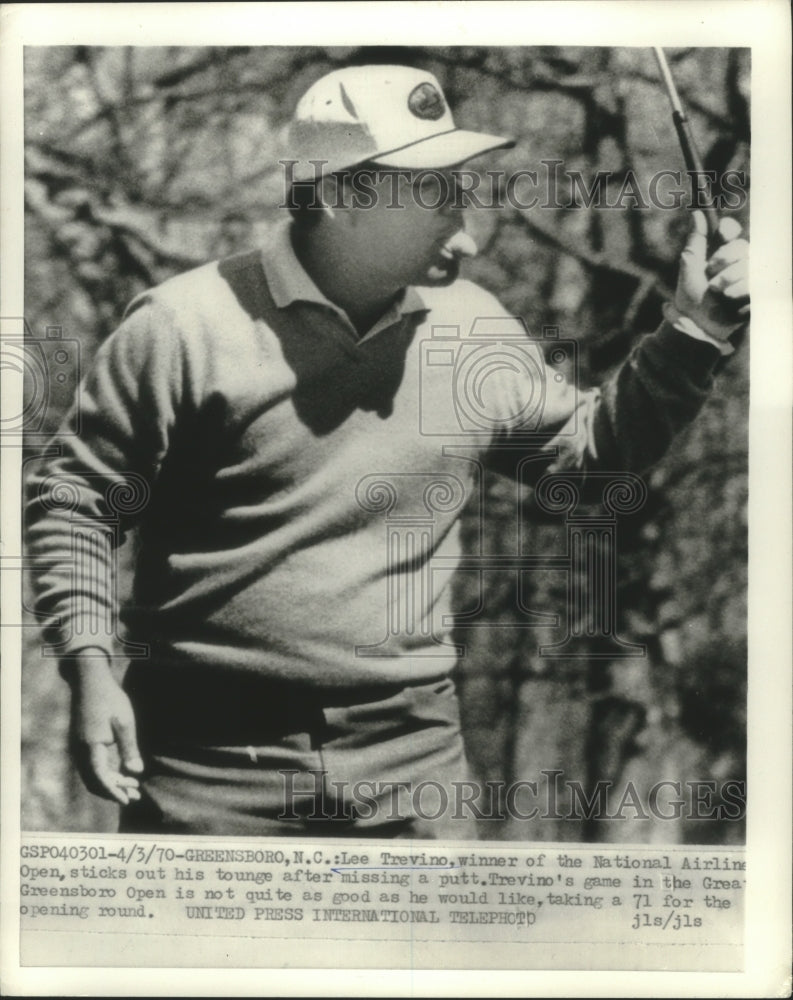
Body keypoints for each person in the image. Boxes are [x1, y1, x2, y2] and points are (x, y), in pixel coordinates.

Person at [26, 65, 749, 838]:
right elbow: (74, 503)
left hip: (412, 767)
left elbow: (587, 466)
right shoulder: (180, 327)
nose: (468, 230)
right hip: (204, 767)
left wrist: (690, 333)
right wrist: (90, 667)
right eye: (437, 194)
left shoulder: (472, 327)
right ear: (341, 197)